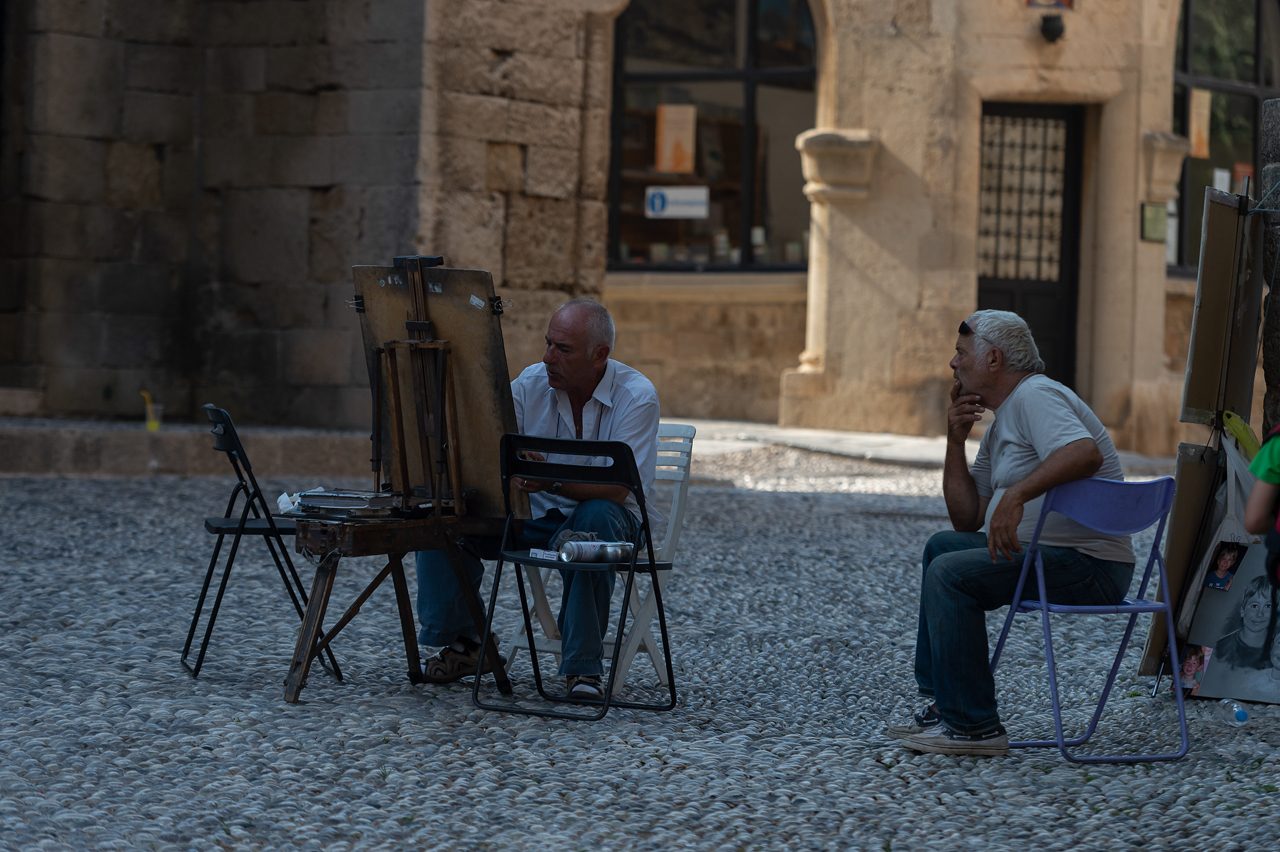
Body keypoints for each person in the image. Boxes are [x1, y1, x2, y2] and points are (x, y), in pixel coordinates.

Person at [890, 310, 1135, 756]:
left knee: (950, 573)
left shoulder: (1035, 395)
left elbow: (1083, 453)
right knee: (941, 547)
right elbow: (966, 519)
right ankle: (943, 706)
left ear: (994, 360)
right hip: (1051, 557)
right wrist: (954, 440)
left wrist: (1017, 495)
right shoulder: (1005, 418)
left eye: (961, 353)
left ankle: (974, 729)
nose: (952, 363)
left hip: (1089, 565)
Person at [413, 298, 661, 700]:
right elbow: (489, 445)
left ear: (600, 355)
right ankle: (467, 642)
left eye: (563, 350)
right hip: (536, 519)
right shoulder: (530, 385)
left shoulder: (637, 396)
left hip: (613, 525)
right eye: (548, 344)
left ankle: (583, 669)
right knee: (445, 519)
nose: (548, 357)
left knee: (593, 522)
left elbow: (620, 490)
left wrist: (550, 481)